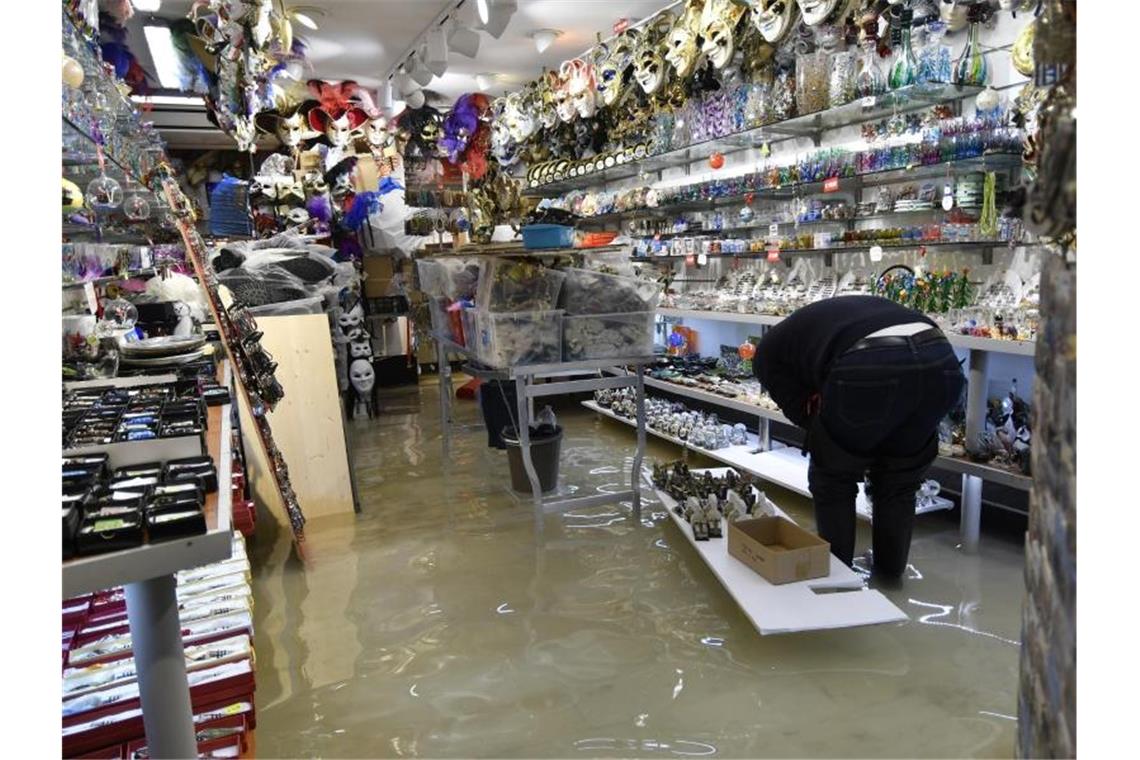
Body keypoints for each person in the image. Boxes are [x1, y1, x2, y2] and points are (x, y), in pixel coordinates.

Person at [753, 296, 966, 577]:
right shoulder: (817, 325)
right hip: (941, 363)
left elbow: (802, 410)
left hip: (870, 363)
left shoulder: (767, 356)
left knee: (833, 477)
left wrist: (826, 437)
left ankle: (838, 578)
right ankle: (891, 575)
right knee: (900, 482)